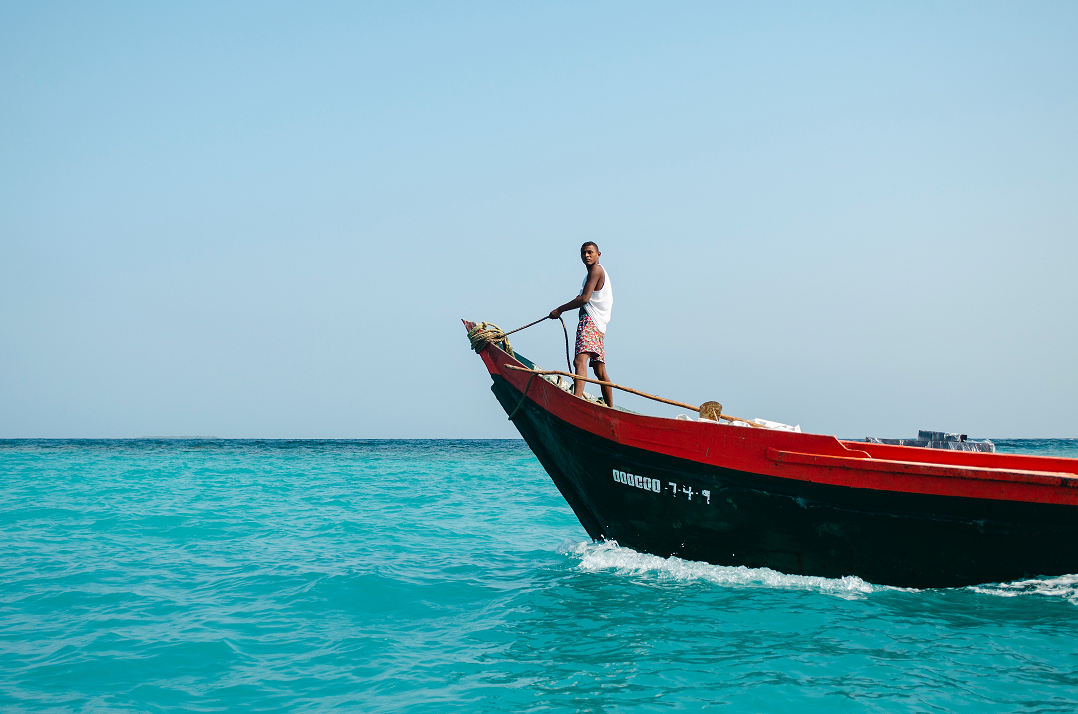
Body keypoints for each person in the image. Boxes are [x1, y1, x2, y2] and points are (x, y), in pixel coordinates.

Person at [549, 242, 614, 407]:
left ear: (598, 254)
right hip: (599, 327)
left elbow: (584, 299)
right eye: (584, 253)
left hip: (590, 323)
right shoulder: (593, 273)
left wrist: (559, 310)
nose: (587, 255)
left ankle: (575, 402)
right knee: (599, 371)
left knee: (579, 362)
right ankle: (611, 409)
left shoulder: (596, 270)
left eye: (590, 252)